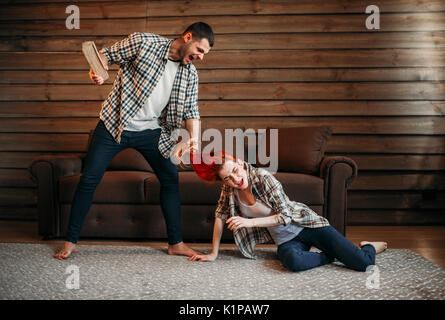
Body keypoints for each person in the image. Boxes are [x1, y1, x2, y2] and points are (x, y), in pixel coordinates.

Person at [54, 22, 214, 260]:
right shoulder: (143, 43)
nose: (200, 57)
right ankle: (70, 241)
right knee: (89, 179)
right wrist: (97, 70)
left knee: (170, 179)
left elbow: (191, 110)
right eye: (200, 50)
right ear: (188, 37)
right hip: (113, 125)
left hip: (151, 132)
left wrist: (194, 140)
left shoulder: (190, 73)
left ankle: (176, 244)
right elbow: (105, 56)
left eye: (204, 54)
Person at [188, 151, 388, 272]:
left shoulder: (263, 177)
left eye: (235, 171)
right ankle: (332, 255)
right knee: (293, 262)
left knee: (363, 264)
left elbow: (286, 216)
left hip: (307, 226)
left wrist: (249, 222)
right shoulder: (229, 188)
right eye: (227, 178)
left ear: (240, 163)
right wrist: (213, 253)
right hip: (286, 240)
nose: (235, 179)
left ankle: (367, 246)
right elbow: (220, 216)